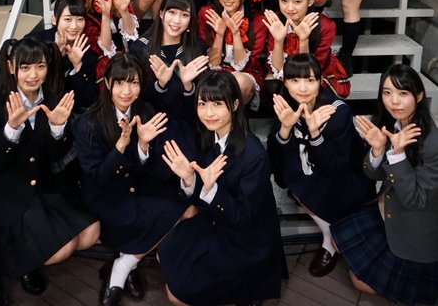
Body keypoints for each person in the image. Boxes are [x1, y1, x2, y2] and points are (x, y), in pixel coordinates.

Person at [74, 54, 194, 306]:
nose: (127, 91)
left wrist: (142, 146)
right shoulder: (88, 122)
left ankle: (124, 265)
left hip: (138, 189)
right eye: (120, 83)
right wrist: (120, 147)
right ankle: (124, 268)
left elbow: (148, 169)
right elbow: (96, 179)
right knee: (139, 216)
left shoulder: (146, 111)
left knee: (187, 207)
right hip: (107, 197)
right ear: (108, 84)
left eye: (134, 83)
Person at [0, 37, 100, 297]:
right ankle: (14, 266)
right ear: (11, 67)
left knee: (91, 234)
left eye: (40, 66)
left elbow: (54, 156)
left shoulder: (54, 98)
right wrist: (11, 130)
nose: (33, 75)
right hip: (10, 188)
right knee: (64, 248)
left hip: (45, 186)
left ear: (48, 67)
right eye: (25, 67)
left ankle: (26, 256)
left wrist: (58, 129)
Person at [158, 70, 284, 306]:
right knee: (165, 253)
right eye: (202, 104)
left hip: (246, 238)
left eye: (217, 104)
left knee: (178, 294)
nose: (209, 113)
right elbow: (204, 191)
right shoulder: (208, 136)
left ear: (235, 105)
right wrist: (190, 179)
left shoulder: (254, 154)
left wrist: (211, 191)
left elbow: (244, 216)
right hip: (217, 220)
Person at [332, 64, 438, 305]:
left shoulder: (433, 143)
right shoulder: (392, 123)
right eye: (387, 92)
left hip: (414, 229)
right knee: (339, 242)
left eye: (403, 93)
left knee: (358, 281)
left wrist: (398, 154)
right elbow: (374, 174)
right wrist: (379, 150)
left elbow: (415, 200)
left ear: (419, 96)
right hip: (387, 209)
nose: (394, 101)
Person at [267, 54, 374, 278]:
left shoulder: (337, 111)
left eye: (310, 80)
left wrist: (315, 133)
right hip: (311, 170)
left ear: (320, 81)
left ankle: (333, 239)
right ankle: (331, 234)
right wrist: (285, 129)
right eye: (295, 80)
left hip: (344, 177)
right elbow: (276, 153)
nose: (302, 88)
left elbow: (337, 165)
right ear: (285, 82)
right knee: (290, 176)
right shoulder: (286, 104)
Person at [263, 0, 350, 98]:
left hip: (314, 74)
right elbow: (277, 68)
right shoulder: (276, 21)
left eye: (297, 1)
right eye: (284, 1)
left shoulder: (326, 26)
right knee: (272, 85)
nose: (290, 8)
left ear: (310, 0)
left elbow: (310, 71)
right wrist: (279, 41)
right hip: (286, 72)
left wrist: (303, 40)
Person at [129, 0, 209, 122]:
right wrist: (160, 85)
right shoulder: (141, 48)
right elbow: (136, 99)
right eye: (172, 12)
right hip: (150, 123)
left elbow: (203, 103)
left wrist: (188, 86)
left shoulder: (197, 48)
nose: (177, 20)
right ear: (161, 14)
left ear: (191, 19)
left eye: (184, 15)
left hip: (186, 122)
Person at [197, 0, 268, 107]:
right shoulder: (207, 14)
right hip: (215, 69)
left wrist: (236, 34)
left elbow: (243, 66)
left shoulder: (259, 21)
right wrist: (220, 34)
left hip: (246, 72)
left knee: (238, 83)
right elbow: (212, 63)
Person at [33, 0, 99, 111]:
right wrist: (54, 57)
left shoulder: (88, 53)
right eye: (68, 19)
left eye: (80, 19)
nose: (74, 26)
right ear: (54, 19)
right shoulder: (37, 41)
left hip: (70, 113)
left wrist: (77, 66)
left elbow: (88, 101)